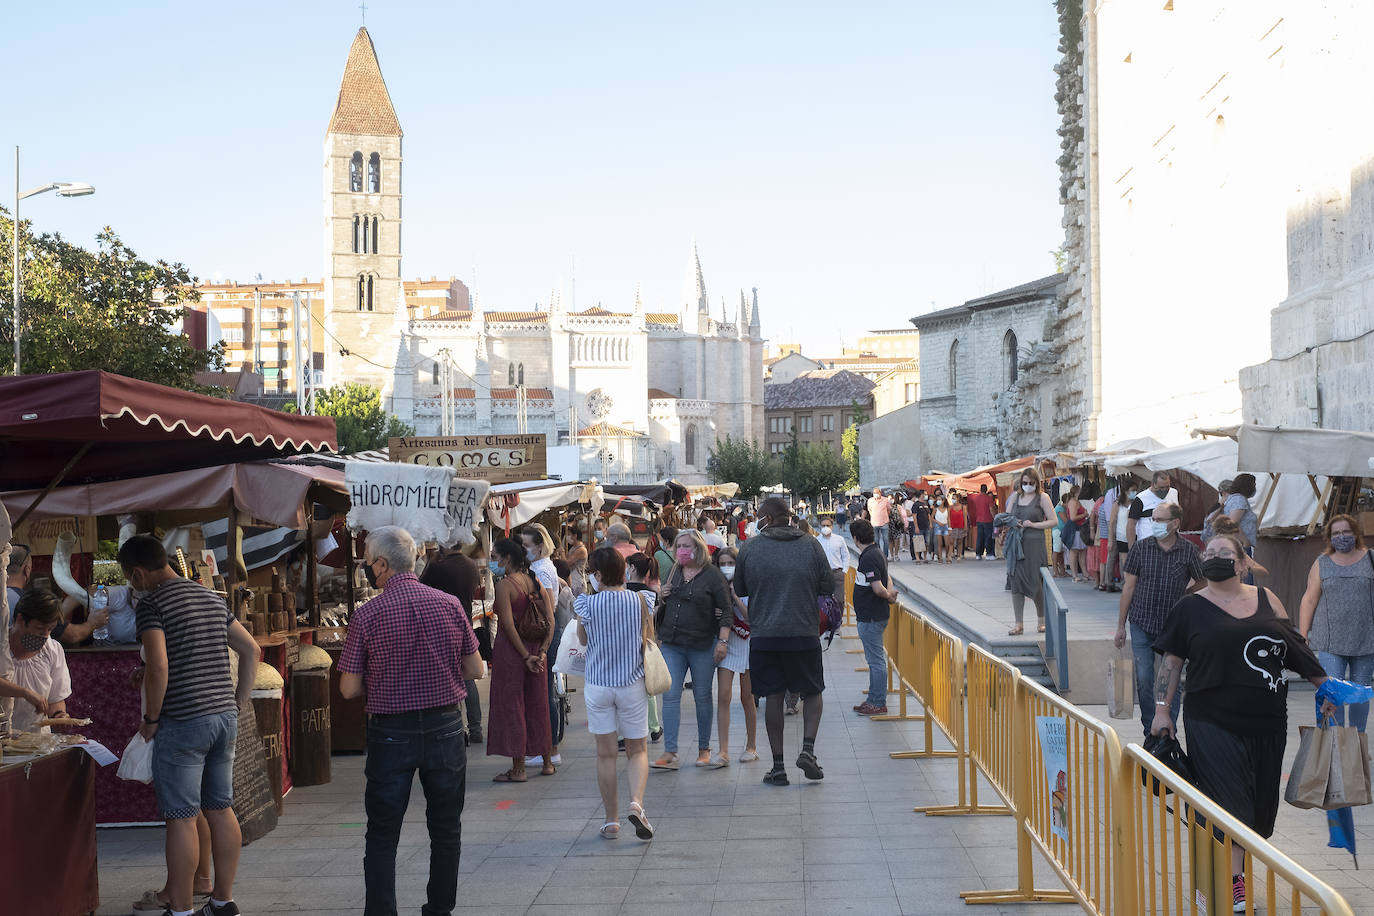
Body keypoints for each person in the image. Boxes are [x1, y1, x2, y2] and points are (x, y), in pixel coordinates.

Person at [1152, 532, 1334, 913]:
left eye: (1224, 552)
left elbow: (1294, 648)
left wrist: (1325, 686)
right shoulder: (1190, 607)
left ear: (1243, 562)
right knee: (1230, 802)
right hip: (1211, 719)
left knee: (1259, 808)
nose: (1215, 557)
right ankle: (1235, 883)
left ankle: (1229, 867)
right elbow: (1171, 663)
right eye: (1210, 552)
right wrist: (1162, 708)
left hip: (1268, 721)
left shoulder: (1267, 599)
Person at [338, 526, 483, 916]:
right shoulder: (449, 605)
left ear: (382, 565)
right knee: (446, 828)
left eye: (368, 564)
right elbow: (476, 669)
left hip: (390, 733)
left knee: (383, 832)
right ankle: (439, 909)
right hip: (445, 728)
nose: (368, 570)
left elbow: (348, 689)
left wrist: (386, 675)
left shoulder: (367, 614)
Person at [123, 534, 258, 916]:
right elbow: (251, 649)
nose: (134, 586)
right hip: (223, 718)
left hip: (182, 720)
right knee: (220, 808)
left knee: (181, 818)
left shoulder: (152, 604)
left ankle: (180, 909)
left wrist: (151, 719)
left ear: (137, 572)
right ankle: (222, 901)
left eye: (131, 579)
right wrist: (238, 701)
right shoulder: (210, 598)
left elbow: (161, 665)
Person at [733, 496, 834, 786]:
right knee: (813, 691)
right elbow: (827, 585)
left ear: (766, 518)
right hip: (803, 632)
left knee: (773, 697)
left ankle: (778, 768)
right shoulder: (811, 545)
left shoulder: (750, 548)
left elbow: (740, 588)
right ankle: (808, 750)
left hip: (765, 636)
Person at [574, 547, 655, 840]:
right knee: (638, 750)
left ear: (597, 574)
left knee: (606, 755)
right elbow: (648, 637)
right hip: (631, 683)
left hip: (598, 684)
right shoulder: (641, 600)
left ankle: (611, 821)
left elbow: (582, 640)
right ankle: (636, 803)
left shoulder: (587, 603)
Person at [1113, 502, 1204, 736]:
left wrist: (1187, 594)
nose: (1154, 524)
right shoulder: (1141, 548)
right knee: (1144, 679)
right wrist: (1120, 626)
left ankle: (1167, 730)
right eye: (1152, 519)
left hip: (1173, 627)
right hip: (1142, 621)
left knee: (1169, 681)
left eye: (1160, 519)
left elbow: (1203, 580)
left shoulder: (1189, 551)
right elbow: (1128, 588)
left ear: (1175, 523)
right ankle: (1149, 728)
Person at [651, 529, 733, 769]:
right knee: (670, 695)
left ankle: (704, 749)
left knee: (702, 696)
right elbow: (664, 603)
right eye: (678, 546)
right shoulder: (675, 571)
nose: (681, 550)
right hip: (673, 643)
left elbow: (726, 610)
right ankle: (670, 752)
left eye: (686, 546)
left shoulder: (712, 575)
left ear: (698, 548)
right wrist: (662, 596)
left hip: (702, 644)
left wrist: (723, 641)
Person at [486, 537, 553, 781]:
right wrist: (542, 652)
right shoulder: (536, 581)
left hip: (513, 654)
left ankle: (518, 769)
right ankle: (547, 762)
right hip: (537, 650)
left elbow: (507, 624)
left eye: (495, 557)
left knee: (514, 707)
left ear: (506, 559)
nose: (493, 561)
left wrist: (525, 656)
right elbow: (550, 621)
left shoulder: (506, 585)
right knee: (539, 704)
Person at [1298, 514, 1374, 729]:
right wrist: (1303, 634)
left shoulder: (1371, 558)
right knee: (1331, 691)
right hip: (1331, 640)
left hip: (1365, 638)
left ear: (1356, 533)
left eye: (1346, 532)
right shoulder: (1322, 562)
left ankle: (1356, 741)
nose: (1342, 536)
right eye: (1336, 533)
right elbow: (1310, 599)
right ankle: (1334, 742)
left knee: (1361, 692)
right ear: (1329, 538)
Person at [419, 542, 485, 744]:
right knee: (468, 678)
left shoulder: (438, 566)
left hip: (443, 624)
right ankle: (476, 728)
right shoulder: (470, 564)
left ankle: (455, 726)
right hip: (464, 618)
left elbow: (420, 586)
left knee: (450, 675)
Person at [521, 524, 563, 771]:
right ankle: (548, 746)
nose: (524, 550)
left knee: (544, 693)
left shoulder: (540, 569)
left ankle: (550, 748)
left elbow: (545, 606)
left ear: (538, 545)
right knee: (545, 691)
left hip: (545, 632)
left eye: (526, 545)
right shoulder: (544, 565)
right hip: (548, 630)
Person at [0, 590, 71, 732]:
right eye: (39, 629)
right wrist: (25, 693)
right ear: (20, 620)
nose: (44, 636)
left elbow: (55, 699)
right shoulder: (2, 647)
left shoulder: (53, 650)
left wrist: (59, 715)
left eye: (49, 629)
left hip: (39, 742)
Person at [713, 547, 758, 764]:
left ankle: (751, 746)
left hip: (747, 642)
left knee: (747, 697)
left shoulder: (749, 584)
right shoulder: (714, 585)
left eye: (731, 563)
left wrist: (733, 596)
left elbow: (751, 617)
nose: (726, 567)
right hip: (726, 643)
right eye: (723, 563)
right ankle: (723, 750)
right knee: (723, 696)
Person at [850, 520, 896, 716]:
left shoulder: (869, 557)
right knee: (874, 660)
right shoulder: (876, 552)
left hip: (871, 616)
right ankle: (873, 699)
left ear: (855, 538)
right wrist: (890, 592)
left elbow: (877, 587)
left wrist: (888, 595)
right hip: (872, 614)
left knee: (876, 661)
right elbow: (887, 578)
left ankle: (877, 702)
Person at [1006, 468, 1056, 635]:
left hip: (1035, 544)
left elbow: (1053, 521)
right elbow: (1007, 518)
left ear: (1036, 483)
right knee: (1016, 582)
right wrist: (1013, 523)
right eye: (1024, 483)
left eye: (1030, 483)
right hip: (1017, 544)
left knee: (1036, 582)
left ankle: (1041, 620)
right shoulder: (1015, 497)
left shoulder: (1042, 498)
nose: (1027, 486)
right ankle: (1018, 623)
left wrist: (1033, 525)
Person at [624, 553, 664, 742]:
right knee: (647, 687)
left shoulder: (621, 592)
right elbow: (651, 620)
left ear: (631, 568)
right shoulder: (650, 594)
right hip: (644, 644)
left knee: (623, 689)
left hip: (623, 645)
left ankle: (624, 734)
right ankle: (654, 727)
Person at [1127, 471, 1179, 547]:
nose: (1164, 490)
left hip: (1170, 544)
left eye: (1167, 487)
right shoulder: (1140, 499)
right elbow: (1131, 524)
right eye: (1161, 487)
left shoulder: (1173, 493)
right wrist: (1132, 548)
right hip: (1146, 545)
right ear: (1153, 484)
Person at [816, 518, 850, 602]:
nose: (825, 527)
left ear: (832, 526)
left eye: (828, 525)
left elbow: (845, 556)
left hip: (837, 573)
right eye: (823, 525)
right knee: (823, 601)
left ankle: (838, 615)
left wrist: (844, 571)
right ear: (820, 526)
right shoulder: (816, 541)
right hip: (822, 575)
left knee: (838, 600)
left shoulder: (839, 539)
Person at [1061, 486, 1090, 582]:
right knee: (1074, 552)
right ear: (1078, 492)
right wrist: (1084, 515)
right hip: (1075, 530)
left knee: (1082, 552)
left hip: (1079, 529)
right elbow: (1073, 517)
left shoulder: (1076, 501)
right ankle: (1074, 575)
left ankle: (1085, 574)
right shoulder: (1073, 502)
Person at [968, 484, 997, 560]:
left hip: (979, 520)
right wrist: (995, 517)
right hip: (988, 520)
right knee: (988, 537)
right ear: (986, 490)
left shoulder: (976, 498)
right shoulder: (989, 498)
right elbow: (991, 509)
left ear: (980, 489)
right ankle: (989, 554)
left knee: (980, 537)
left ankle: (978, 554)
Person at [562, 525, 588, 595]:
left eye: (569, 534)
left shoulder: (581, 550)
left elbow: (566, 563)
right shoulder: (574, 547)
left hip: (578, 582)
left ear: (575, 536)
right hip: (573, 580)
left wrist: (562, 552)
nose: (567, 537)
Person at [868, 488, 891, 558]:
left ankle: (885, 555)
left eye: (877, 492)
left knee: (886, 540)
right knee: (876, 540)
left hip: (884, 522)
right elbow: (870, 510)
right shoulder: (870, 500)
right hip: (874, 523)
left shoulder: (885, 500)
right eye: (874, 493)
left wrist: (884, 516)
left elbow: (888, 510)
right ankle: (878, 555)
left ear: (880, 493)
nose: (876, 494)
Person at [932, 493, 951, 564]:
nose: (938, 501)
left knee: (947, 543)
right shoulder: (935, 509)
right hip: (938, 526)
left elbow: (948, 518)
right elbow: (932, 518)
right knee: (939, 543)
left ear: (943, 501)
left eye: (939, 500)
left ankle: (947, 556)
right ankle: (940, 557)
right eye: (937, 500)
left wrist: (950, 527)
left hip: (945, 526)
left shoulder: (947, 509)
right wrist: (937, 522)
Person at [948, 494, 968, 562]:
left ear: (958, 499)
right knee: (951, 542)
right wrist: (949, 527)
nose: (953, 500)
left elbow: (965, 517)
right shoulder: (950, 507)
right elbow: (948, 518)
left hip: (961, 526)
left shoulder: (963, 507)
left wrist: (965, 526)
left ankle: (959, 555)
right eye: (952, 498)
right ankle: (949, 556)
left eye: (954, 498)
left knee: (960, 542)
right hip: (953, 526)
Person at [914, 493, 932, 563]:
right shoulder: (916, 504)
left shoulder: (925, 504)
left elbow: (928, 515)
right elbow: (914, 516)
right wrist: (916, 527)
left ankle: (925, 557)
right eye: (924, 494)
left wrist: (930, 523)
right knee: (918, 542)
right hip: (919, 526)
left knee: (926, 542)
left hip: (926, 526)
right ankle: (917, 558)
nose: (925, 496)